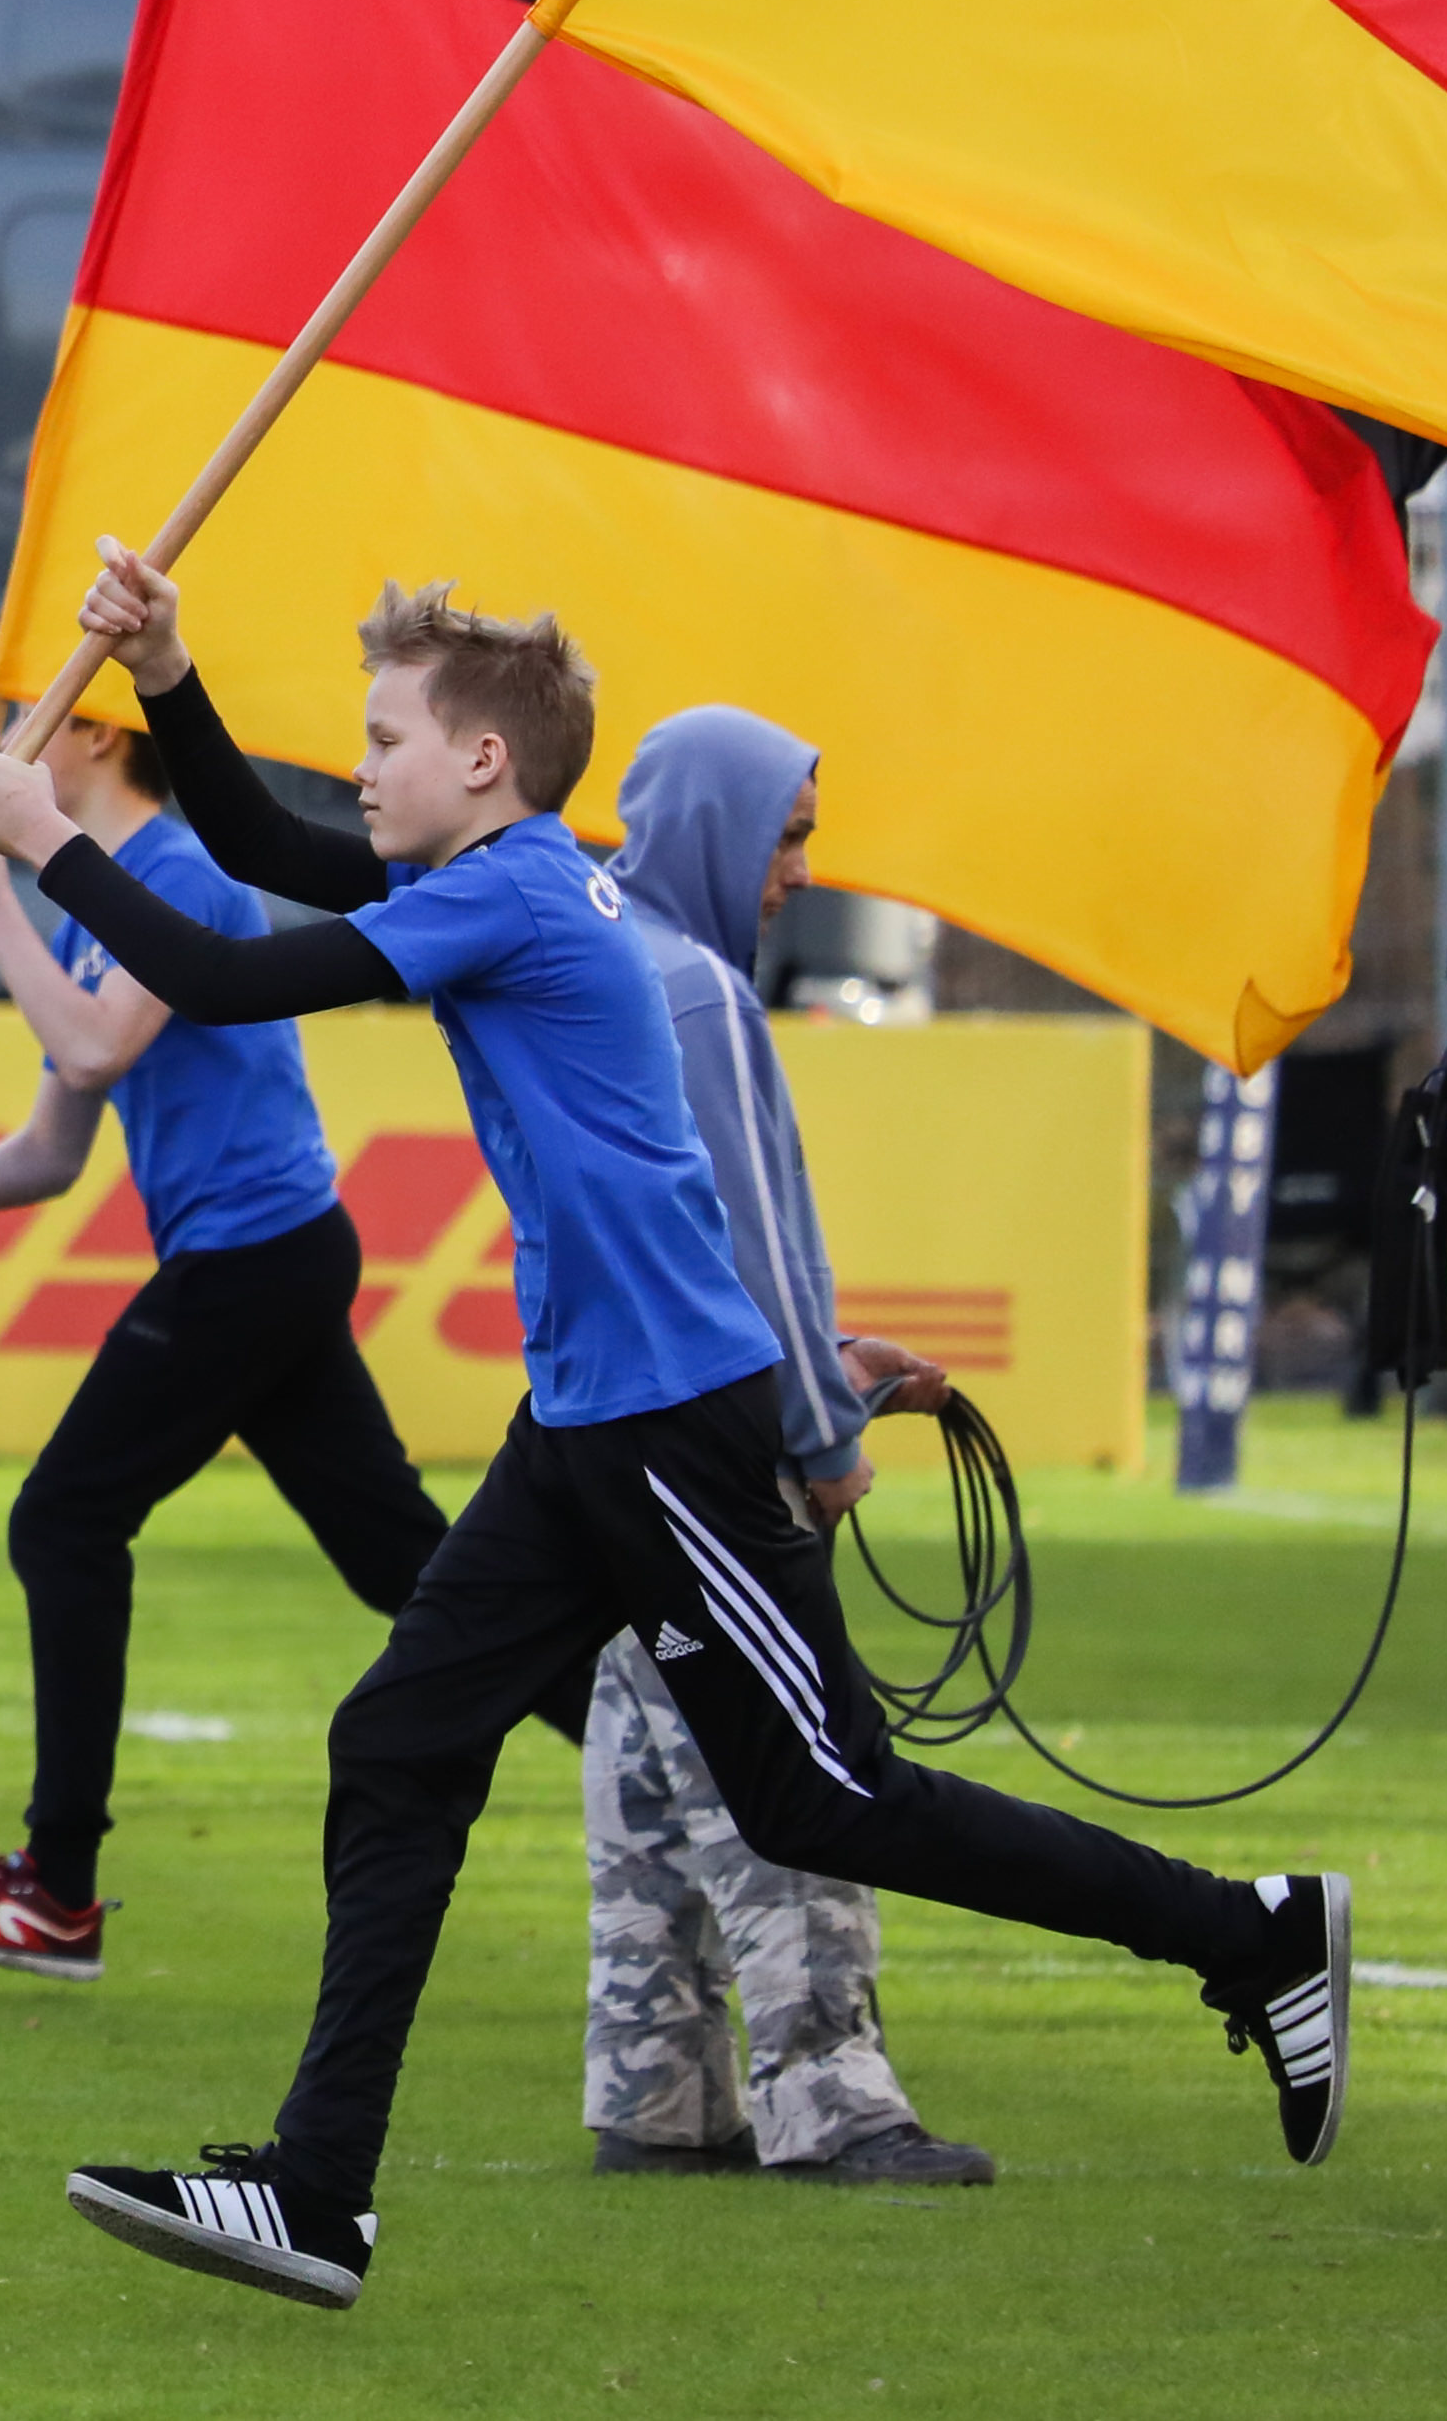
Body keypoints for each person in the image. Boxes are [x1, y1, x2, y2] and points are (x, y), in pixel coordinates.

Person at [0, 548, 1353, 2311]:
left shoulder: (517, 898)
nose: (359, 767)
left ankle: (1250, 1933)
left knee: (833, 1800)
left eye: (385, 739)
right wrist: (166, 669)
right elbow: (269, 849)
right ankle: (314, 2194)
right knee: (397, 1744)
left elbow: (228, 978)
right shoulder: (500, 873)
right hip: (586, 1422)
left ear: (484, 762)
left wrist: (44, 842)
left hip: (673, 1426)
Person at [0, 711, 445, 1984]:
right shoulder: (101, 900)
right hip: (262, 1255)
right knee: (401, 1562)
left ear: (89, 733)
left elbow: (91, 1046)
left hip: (252, 1254)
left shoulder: (173, 872)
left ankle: (55, 1889)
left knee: (61, 1519)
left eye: (26, 715)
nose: (5, 736)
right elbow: (51, 1149)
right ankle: (651, 1732)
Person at [581, 706, 991, 2189]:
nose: (800, 871)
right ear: (717, 823)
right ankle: (834, 2105)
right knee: (790, 1767)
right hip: (722, 1463)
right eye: (788, 835)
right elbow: (749, 1243)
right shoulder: (698, 993)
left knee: (646, 1770)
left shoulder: (602, 961)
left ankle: (656, 2097)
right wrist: (820, 1430)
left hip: (609, 1448)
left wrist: (833, 1362)